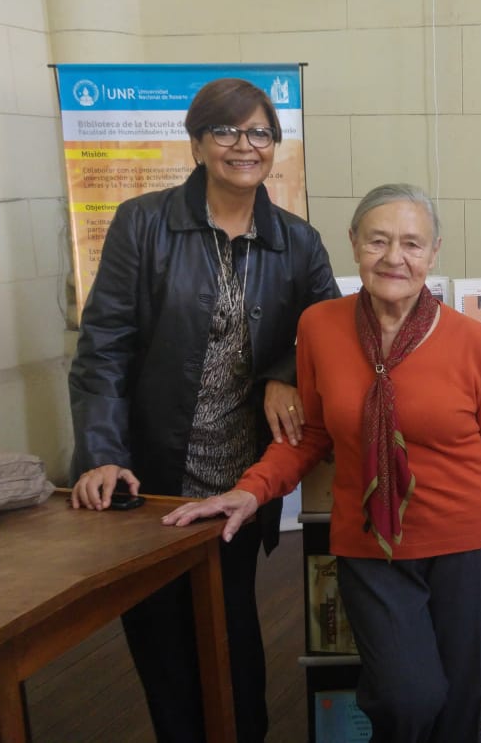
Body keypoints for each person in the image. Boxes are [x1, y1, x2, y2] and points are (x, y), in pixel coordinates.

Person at [162, 183, 481, 742]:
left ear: (434, 254)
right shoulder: (319, 326)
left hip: (467, 544)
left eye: (412, 244)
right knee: (407, 696)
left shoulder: (471, 341)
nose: (394, 258)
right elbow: (310, 434)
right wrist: (252, 489)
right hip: (372, 545)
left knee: (458, 706)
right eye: (378, 241)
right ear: (353, 244)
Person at [67, 77, 340, 742]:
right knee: (161, 637)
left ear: (274, 146)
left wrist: (282, 373)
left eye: (259, 133)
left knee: (231, 629)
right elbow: (103, 348)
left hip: (239, 474)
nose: (243, 145)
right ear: (196, 144)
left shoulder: (298, 242)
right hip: (155, 472)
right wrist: (102, 451)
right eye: (226, 130)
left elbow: (329, 331)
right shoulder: (145, 223)